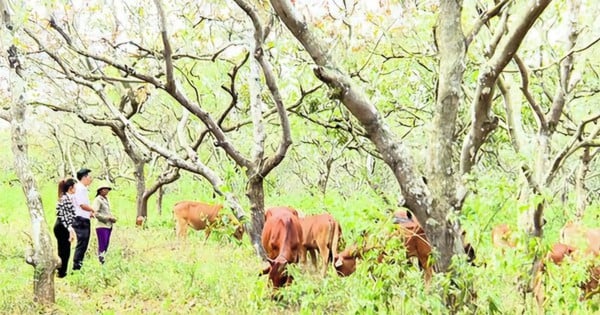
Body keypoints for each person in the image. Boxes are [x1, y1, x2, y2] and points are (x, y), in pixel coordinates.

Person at [53, 178, 77, 278]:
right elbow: (64, 216)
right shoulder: (65, 199)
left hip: (63, 226)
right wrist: (70, 229)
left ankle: (61, 271)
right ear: (70, 187)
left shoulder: (66, 198)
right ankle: (61, 272)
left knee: (64, 250)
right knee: (64, 251)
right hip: (62, 226)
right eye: (74, 186)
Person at [72, 168, 94, 270]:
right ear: (84, 177)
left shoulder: (83, 189)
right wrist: (93, 210)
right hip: (80, 219)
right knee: (82, 243)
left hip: (83, 218)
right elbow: (82, 205)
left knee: (84, 243)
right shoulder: (79, 188)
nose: (91, 179)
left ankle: (78, 265)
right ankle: (76, 267)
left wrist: (90, 213)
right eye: (90, 177)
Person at [93, 182, 117, 264]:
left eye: (107, 189)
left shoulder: (106, 200)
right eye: (105, 189)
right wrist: (108, 218)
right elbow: (95, 213)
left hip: (108, 226)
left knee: (106, 244)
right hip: (101, 226)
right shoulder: (98, 200)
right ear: (100, 191)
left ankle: (103, 260)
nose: (107, 191)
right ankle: (101, 261)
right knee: (102, 245)